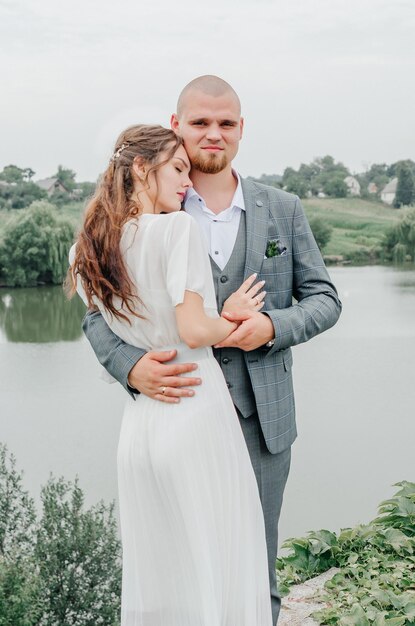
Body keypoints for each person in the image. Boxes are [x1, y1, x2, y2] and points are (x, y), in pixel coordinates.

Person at [82, 75, 342, 624]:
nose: (214, 134)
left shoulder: (283, 209)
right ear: (177, 127)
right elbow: (95, 311)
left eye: (226, 124)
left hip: (261, 423)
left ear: (242, 130)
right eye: (200, 122)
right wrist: (130, 368)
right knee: (179, 569)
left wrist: (271, 326)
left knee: (255, 570)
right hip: (181, 413)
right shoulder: (148, 210)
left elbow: (324, 298)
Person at [69, 124, 274, 626]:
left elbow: (112, 324)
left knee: (161, 570)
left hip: (141, 428)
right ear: (142, 168)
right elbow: (194, 329)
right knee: (218, 557)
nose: (187, 183)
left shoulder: (88, 247)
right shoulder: (178, 228)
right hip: (195, 411)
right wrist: (236, 315)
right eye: (178, 169)